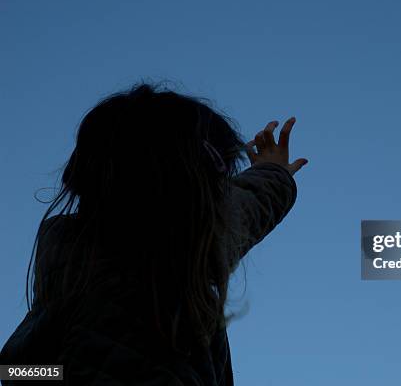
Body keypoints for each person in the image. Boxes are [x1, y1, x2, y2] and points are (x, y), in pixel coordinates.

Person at [0, 83, 308, 385]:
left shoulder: (79, 270)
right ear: (192, 208)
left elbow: (17, 368)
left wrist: (271, 174)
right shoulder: (150, 308)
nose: (224, 204)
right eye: (218, 187)